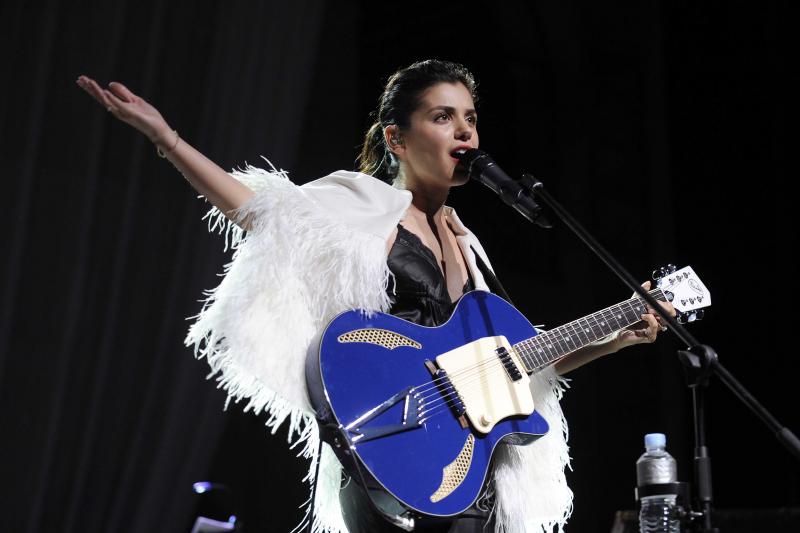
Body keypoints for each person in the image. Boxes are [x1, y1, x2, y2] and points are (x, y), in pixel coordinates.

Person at [77, 59, 674, 533]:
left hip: (471, 474)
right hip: (396, 453)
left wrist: (614, 338)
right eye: (443, 117)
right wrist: (167, 139)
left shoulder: (468, 246)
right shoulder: (364, 204)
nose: (465, 130)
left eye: (469, 117)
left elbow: (509, 372)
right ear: (396, 136)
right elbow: (261, 211)